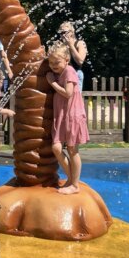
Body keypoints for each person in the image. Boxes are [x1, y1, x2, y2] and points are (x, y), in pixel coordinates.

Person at [46, 42, 89, 194]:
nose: (53, 65)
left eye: (56, 62)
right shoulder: (59, 73)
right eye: (50, 62)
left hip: (72, 115)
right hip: (62, 115)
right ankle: (71, 179)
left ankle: (75, 185)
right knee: (56, 147)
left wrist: (52, 83)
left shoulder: (70, 71)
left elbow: (68, 93)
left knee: (72, 150)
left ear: (66, 60)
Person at [58, 22, 88, 90]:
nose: (63, 35)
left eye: (65, 32)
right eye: (61, 33)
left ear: (72, 32)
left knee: (74, 98)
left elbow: (80, 61)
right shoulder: (60, 45)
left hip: (75, 73)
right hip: (62, 74)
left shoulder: (80, 43)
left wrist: (71, 46)